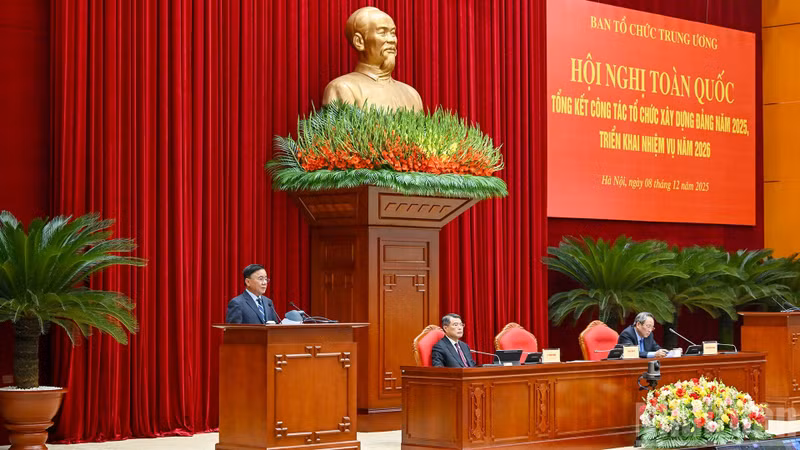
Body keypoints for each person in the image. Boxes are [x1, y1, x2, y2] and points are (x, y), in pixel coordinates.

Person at [322, 6, 423, 112]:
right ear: (359, 42)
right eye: (382, 33)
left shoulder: (412, 95)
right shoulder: (343, 89)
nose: (392, 40)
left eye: (393, 33)